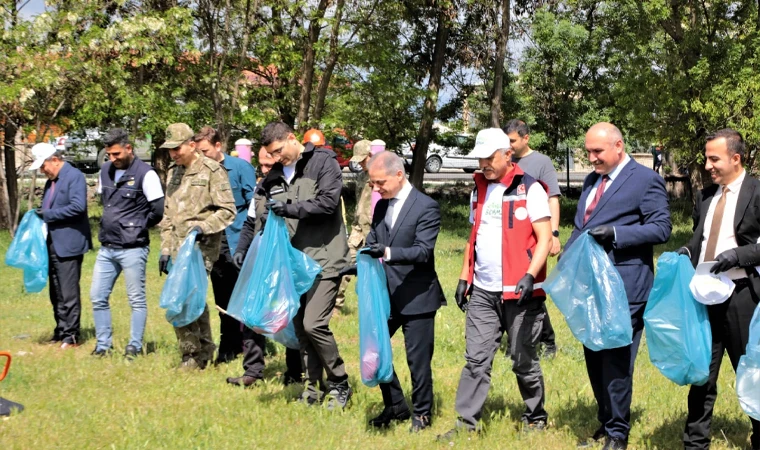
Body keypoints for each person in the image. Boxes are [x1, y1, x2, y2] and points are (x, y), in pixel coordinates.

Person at [439, 128, 552, 441]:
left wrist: (531, 274)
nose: (484, 163)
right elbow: (473, 236)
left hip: (520, 292)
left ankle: (535, 416)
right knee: (476, 360)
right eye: (480, 157)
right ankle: (465, 426)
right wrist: (464, 276)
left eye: (490, 157)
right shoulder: (478, 188)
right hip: (484, 292)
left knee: (523, 360)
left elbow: (544, 239)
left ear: (508, 154)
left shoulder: (531, 189)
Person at [566, 122, 671, 450]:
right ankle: (605, 420)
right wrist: (566, 259)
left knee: (615, 361)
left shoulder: (645, 180)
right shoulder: (591, 180)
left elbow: (661, 228)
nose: (592, 158)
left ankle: (617, 434)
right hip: (591, 286)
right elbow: (581, 226)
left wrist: (617, 234)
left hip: (626, 287)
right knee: (594, 356)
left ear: (619, 146)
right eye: (588, 152)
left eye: (597, 152)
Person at [235, 121, 352, 409]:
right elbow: (256, 217)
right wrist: (243, 249)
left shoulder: (323, 162)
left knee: (314, 324)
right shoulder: (272, 178)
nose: (276, 159)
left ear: (290, 138)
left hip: (325, 259)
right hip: (292, 265)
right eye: (270, 154)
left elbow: (327, 203)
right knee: (300, 328)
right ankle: (312, 390)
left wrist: (290, 208)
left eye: (278, 151)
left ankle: (339, 382)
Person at [676, 129, 760, 450]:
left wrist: (738, 255)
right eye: (707, 158)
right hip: (705, 297)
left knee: (752, 372)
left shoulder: (756, 191)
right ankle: (695, 443)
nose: (708, 165)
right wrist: (686, 251)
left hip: (743, 298)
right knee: (702, 375)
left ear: (735, 158)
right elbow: (700, 239)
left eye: (715, 158)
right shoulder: (706, 197)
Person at [353, 151, 445, 432]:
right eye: (372, 184)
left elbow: (423, 251)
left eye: (380, 182)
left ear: (398, 175)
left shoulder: (426, 206)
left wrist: (388, 252)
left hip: (418, 295)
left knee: (417, 361)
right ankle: (395, 405)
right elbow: (373, 240)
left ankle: (422, 414)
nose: (376, 188)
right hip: (386, 295)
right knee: (375, 351)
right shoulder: (381, 207)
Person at [158, 123, 236, 370]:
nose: (173, 154)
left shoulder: (212, 170)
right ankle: (203, 351)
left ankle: (191, 355)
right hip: (177, 248)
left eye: (177, 149)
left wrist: (203, 227)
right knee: (192, 300)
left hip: (200, 248)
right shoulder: (173, 172)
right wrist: (165, 249)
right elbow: (169, 214)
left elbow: (228, 210)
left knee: (185, 298)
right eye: (169, 150)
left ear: (192, 145)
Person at [226, 145, 302, 388]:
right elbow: (250, 223)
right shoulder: (261, 187)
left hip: (288, 258)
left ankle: (295, 371)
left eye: (270, 164)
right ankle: (253, 371)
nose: (266, 169)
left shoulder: (293, 185)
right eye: (263, 165)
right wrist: (240, 250)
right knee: (253, 312)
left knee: (288, 314)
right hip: (261, 258)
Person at [90, 128, 164, 359]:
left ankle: (134, 346)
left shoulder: (146, 173)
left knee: (136, 299)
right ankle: (103, 346)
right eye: (109, 154)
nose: (113, 159)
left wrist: (138, 226)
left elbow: (158, 210)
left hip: (133, 248)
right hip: (107, 247)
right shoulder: (105, 170)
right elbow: (105, 201)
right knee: (97, 296)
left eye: (117, 154)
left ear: (129, 148)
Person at [193, 126, 256, 364]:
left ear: (218, 146)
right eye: (198, 151)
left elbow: (253, 206)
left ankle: (252, 345)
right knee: (223, 299)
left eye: (205, 150)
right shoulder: (200, 172)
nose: (202, 155)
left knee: (246, 296)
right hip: (215, 243)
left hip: (239, 241)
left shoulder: (240, 168)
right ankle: (228, 347)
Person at [503, 119, 560, 358]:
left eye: (513, 141)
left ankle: (547, 340)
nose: (509, 146)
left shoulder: (541, 162)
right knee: (510, 291)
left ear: (526, 139)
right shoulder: (503, 160)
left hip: (534, 237)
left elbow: (553, 198)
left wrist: (553, 234)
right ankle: (515, 339)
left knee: (532, 290)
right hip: (509, 238)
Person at [30, 143, 92, 350]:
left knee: (68, 291)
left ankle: (72, 336)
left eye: (43, 166)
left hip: (69, 243)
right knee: (55, 291)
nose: (42, 171)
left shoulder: (74, 176)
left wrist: (47, 215)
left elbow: (77, 207)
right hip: (52, 243)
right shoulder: (52, 181)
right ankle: (60, 330)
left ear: (54, 160)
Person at [335, 139, 373, 309]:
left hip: (375, 231)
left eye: (363, 159)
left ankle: (374, 307)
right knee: (345, 265)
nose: (361, 164)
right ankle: (335, 305)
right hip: (358, 230)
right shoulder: (362, 176)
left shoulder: (383, 176)